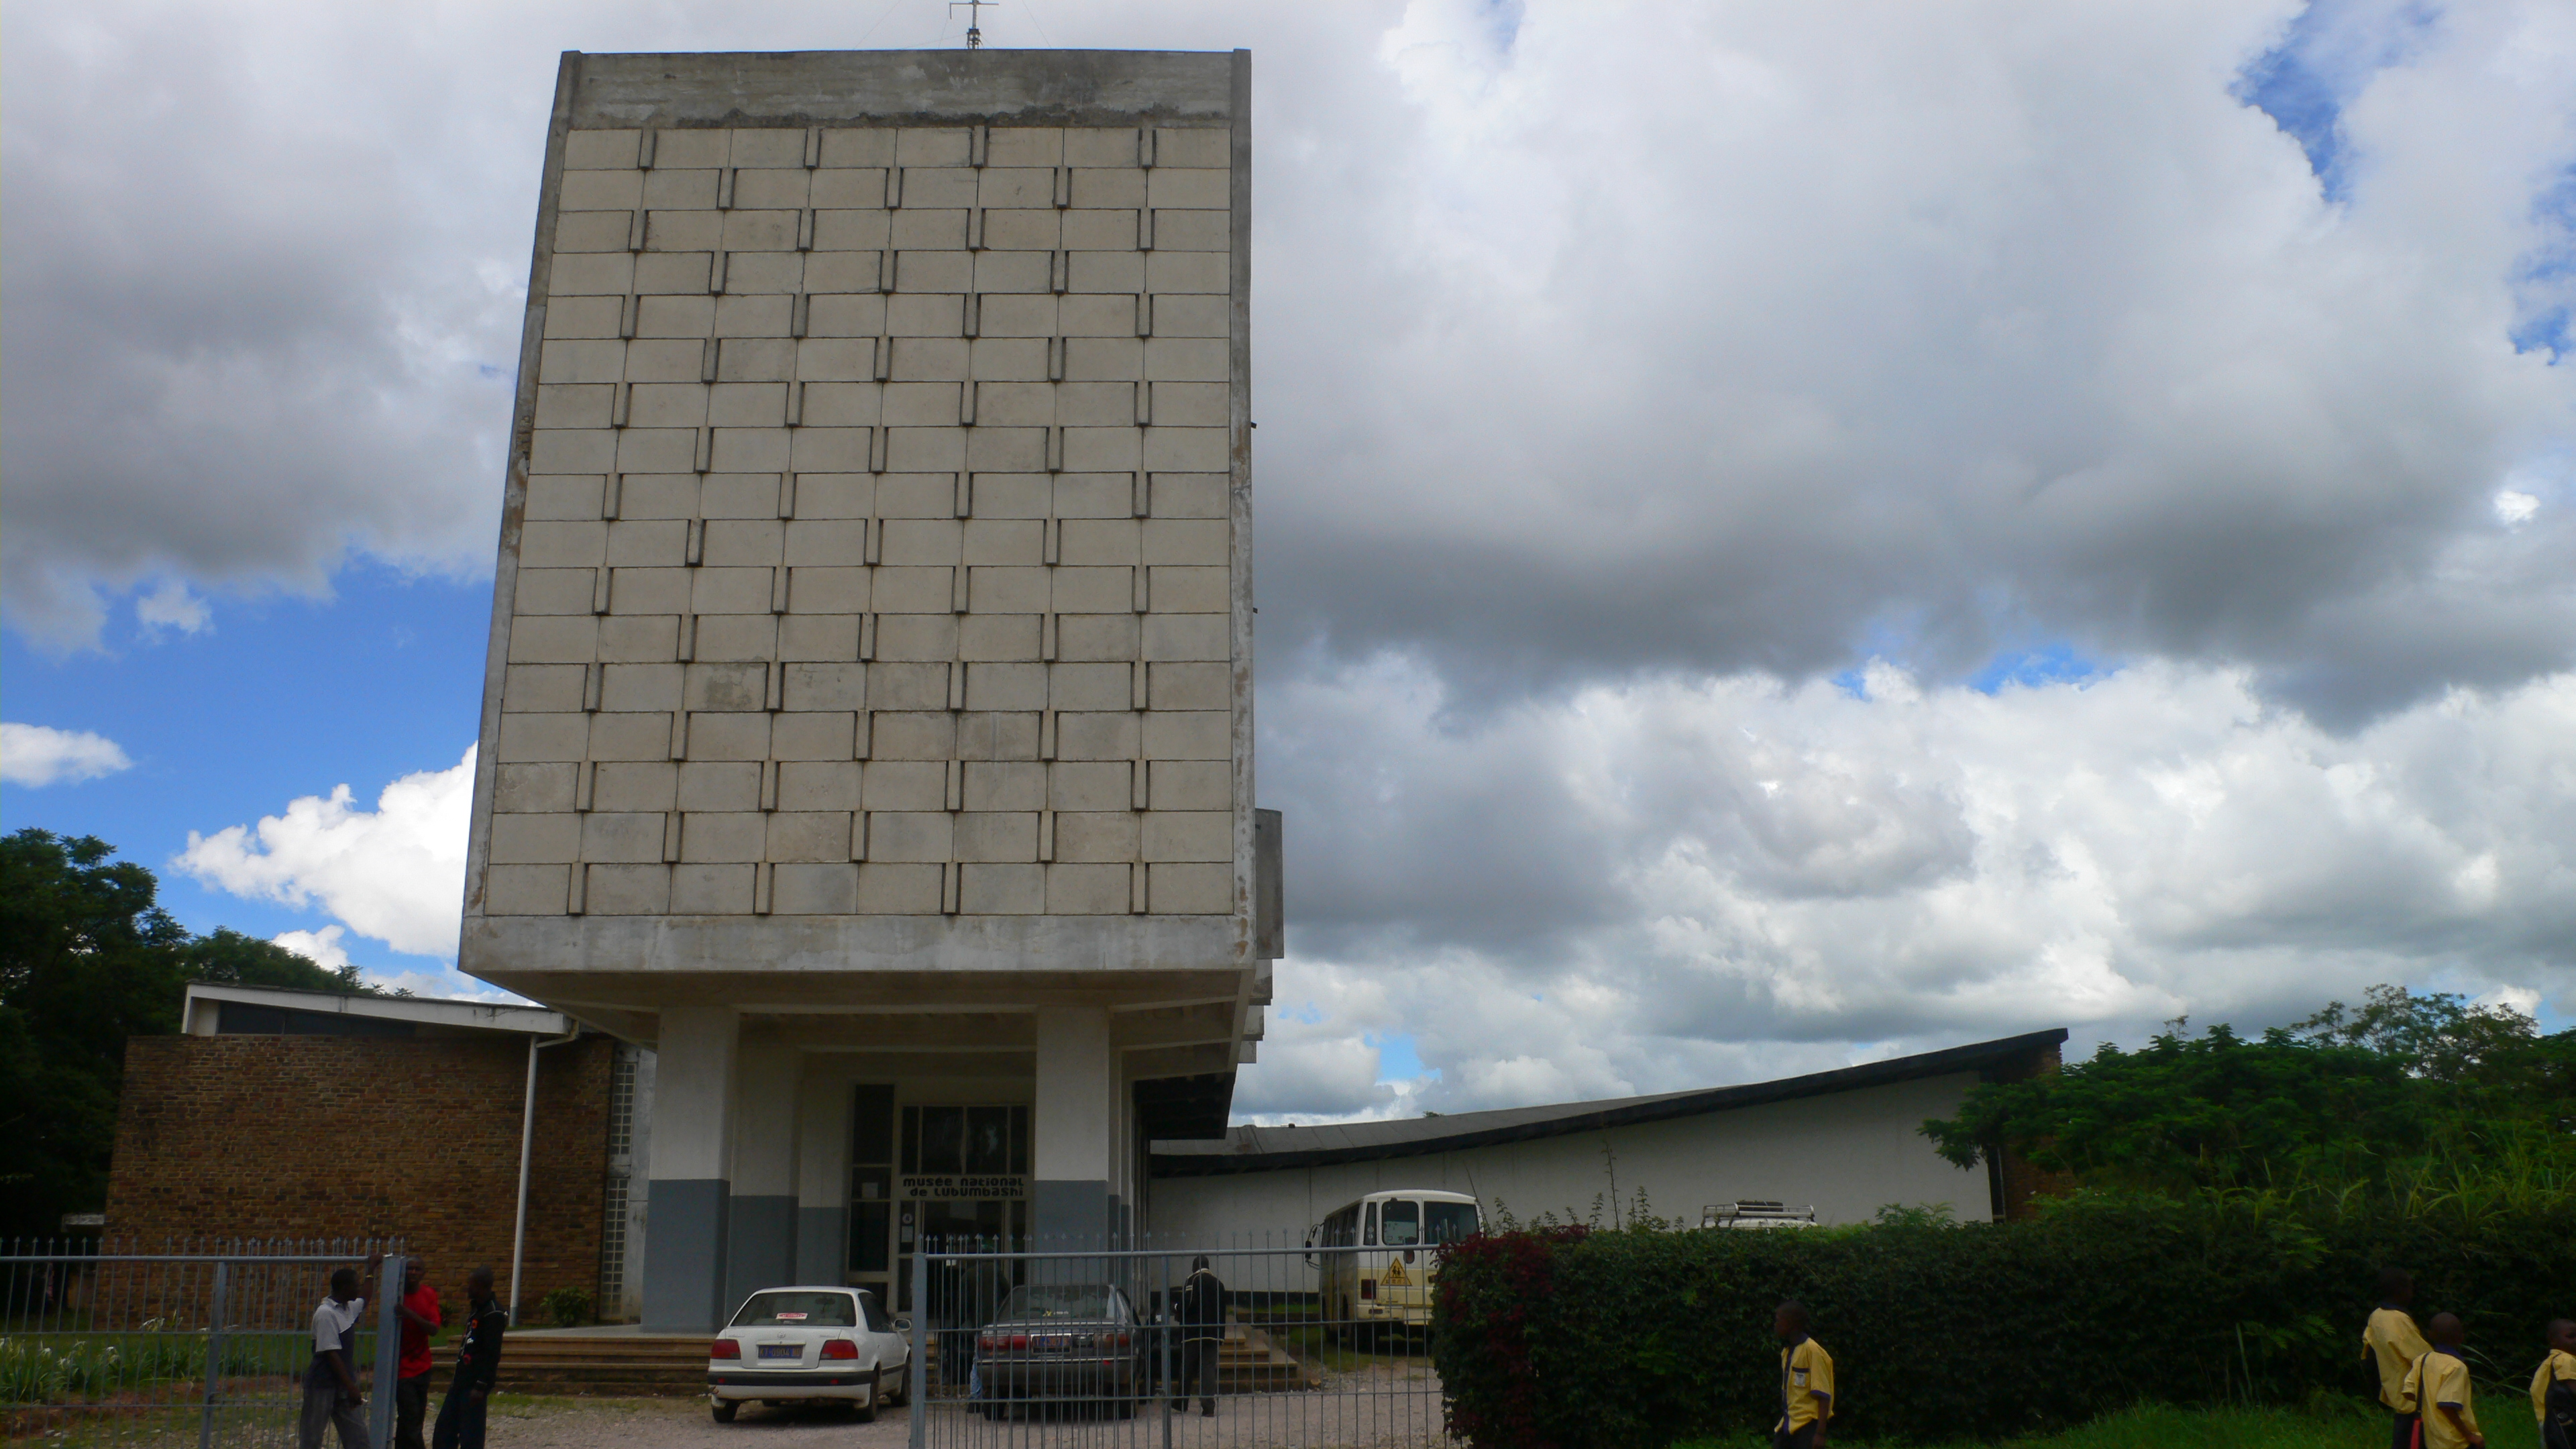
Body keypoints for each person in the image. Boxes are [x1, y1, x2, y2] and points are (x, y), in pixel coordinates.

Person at [302, 1252, 384, 1449]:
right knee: (312, 1438)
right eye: (355, 1285)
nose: (358, 1288)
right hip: (322, 1384)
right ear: (345, 1288)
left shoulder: (348, 1308)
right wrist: (351, 1387)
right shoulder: (326, 1313)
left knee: (358, 1439)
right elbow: (332, 1354)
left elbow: (365, 1297)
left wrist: (371, 1270)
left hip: (343, 1384)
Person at [431, 1267, 505, 1449]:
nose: (467, 1288)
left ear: (480, 1286)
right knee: (444, 1431)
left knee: (471, 1434)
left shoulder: (493, 1313)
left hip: (474, 1383)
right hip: (461, 1381)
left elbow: (492, 1353)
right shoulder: (477, 1309)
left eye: (470, 1284)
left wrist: (481, 1385)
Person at [2365, 1267, 2433, 1449]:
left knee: (2402, 1438)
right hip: (2414, 1397)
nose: (2412, 1293)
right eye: (2410, 1288)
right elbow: (2423, 1358)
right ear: (2400, 1290)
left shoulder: (2376, 1316)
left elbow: (2368, 1354)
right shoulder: (2398, 1320)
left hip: (2396, 1391)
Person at [2401, 1313, 2485, 1449]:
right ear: (2461, 1338)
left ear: (2430, 1335)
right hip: (2456, 1441)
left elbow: (2409, 1393)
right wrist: (2470, 1436)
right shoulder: (2456, 1367)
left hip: (2431, 1438)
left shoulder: (2422, 1360)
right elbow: (2447, 1406)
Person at [394, 1259, 442, 1449]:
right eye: (409, 1268)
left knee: (415, 1418)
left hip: (423, 1366)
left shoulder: (428, 1294)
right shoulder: (395, 1295)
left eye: (417, 1269)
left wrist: (409, 1314)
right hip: (402, 1369)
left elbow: (434, 1329)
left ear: (423, 1273)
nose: (413, 1272)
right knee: (410, 1417)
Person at [1773, 1301, 1833, 1449]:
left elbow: (1824, 1395)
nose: (1776, 1325)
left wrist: (1820, 1433)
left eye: (1779, 1320)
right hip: (1789, 1424)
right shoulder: (1787, 1352)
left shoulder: (1812, 1351)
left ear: (1791, 1323)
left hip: (1808, 1427)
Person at [1173, 1255, 1225, 1417]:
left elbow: (1188, 1303)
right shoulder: (1219, 1284)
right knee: (1208, 1369)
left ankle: (1181, 1402)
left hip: (1193, 1332)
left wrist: (1176, 1307)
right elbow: (1223, 1310)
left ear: (1195, 1267)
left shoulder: (1193, 1280)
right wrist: (1221, 1335)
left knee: (1187, 1368)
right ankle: (1208, 1407)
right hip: (1213, 1333)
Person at [2533, 1318, 2576, 1449]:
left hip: (2548, 1421)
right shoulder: (2565, 1359)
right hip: (2565, 1421)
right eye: (2571, 1336)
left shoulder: (2549, 1362)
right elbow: (2573, 1389)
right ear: (2553, 1340)